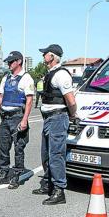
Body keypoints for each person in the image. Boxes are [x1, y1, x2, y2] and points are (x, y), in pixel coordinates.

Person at [32, 44, 77, 205]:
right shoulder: (51, 73)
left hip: (58, 118)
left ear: (52, 56)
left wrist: (73, 115)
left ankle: (59, 191)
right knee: (46, 154)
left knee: (56, 155)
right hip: (49, 118)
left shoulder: (61, 75)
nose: (43, 56)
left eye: (45, 54)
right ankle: (48, 184)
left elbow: (71, 100)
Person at [0, 51, 35, 189]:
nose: (8, 64)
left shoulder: (27, 79)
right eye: (8, 62)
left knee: (18, 148)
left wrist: (25, 120)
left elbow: (29, 101)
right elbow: (1, 96)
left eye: (11, 61)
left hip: (17, 117)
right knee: (3, 147)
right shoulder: (6, 78)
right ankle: (4, 173)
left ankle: (16, 175)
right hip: (5, 118)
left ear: (19, 61)